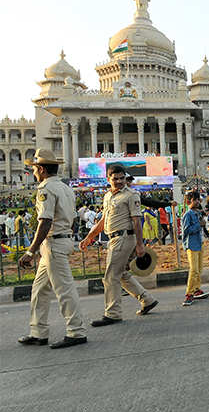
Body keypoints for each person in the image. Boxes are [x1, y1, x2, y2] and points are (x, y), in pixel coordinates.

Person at [18, 148, 87, 349]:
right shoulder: (66, 188)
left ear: (41, 169)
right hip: (61, 240)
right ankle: (38, 331)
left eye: (34, 169)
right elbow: (73, 218)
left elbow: (45, 222)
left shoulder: (45, 189)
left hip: (53, 243)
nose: (33, 173)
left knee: (64, 289)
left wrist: (31, 251)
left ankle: (76, 331)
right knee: (39, 289)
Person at [80, 164, 159, 326]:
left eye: (122, 178)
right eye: (115, 178)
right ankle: (147, 299)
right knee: (121, 274)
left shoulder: (131, 195)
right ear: (108, 179)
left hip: (124, 238)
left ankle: (113, 313)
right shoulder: (108, 196)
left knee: (110, 276)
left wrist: (140, 245)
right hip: (113, 238)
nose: (119, 181)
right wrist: (89, 237)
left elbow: (137, 221)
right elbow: (103, 221)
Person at [181, 191, 209, 306]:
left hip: (199, 243)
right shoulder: (187, 215)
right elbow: (186, 231)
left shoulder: (197, 213)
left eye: (198, 199)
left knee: (199, 269)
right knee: (193, 270)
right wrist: (199, 225)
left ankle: (196, 289)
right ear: (189, 201)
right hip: (191, 245)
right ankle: (189, 293)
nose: (198, 202)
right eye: (195, 200)